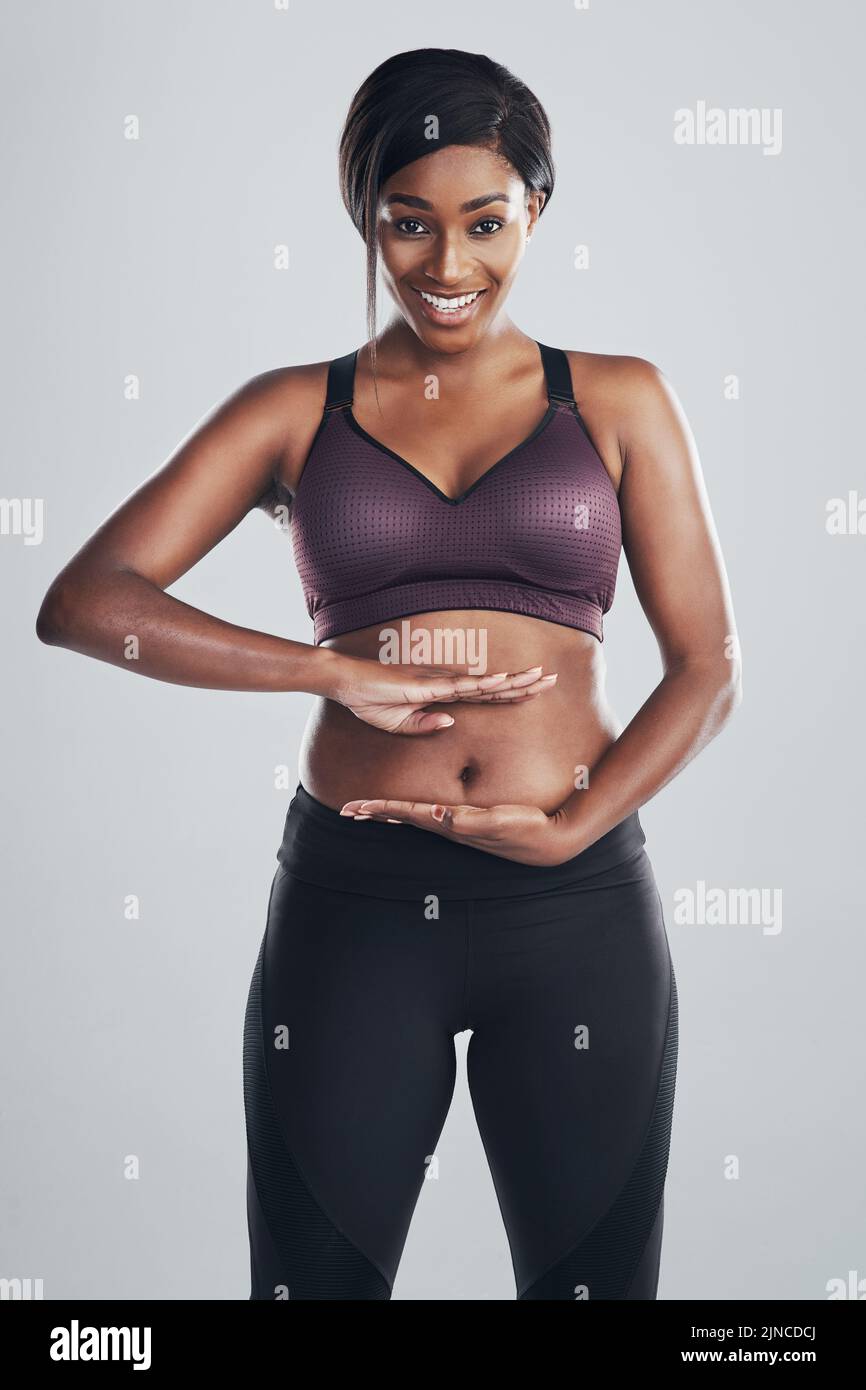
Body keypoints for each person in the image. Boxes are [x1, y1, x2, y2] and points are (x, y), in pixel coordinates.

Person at [36, 48, 741, 1300]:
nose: (447, 265)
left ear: (537, 209)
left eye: (485, 222)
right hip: (353, 909)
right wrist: (321, 670)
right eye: (406, 224)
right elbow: (88, 603)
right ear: (364, 217)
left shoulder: (620, 400)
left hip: (574, 912)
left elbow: (707, 669)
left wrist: (576, 819)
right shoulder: (294, 411)